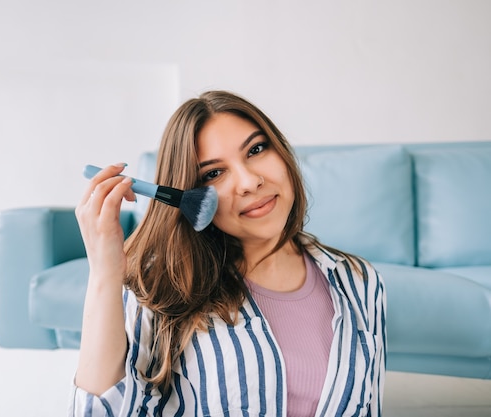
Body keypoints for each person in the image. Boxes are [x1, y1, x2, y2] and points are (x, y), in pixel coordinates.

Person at [71, 90, 386, 416]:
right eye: (213, 173)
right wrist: (103, 275)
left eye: (256, 149)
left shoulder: (361, 281)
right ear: (187, 194)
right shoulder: (160, 286)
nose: (249, 182)